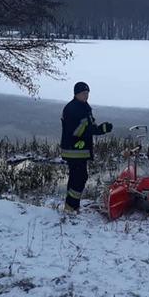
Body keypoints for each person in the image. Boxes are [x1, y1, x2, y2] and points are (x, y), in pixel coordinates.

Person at [60, 81, 112, 213]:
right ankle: (71, 207)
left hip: (81, 151)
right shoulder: (71, 108)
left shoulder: (85, 107)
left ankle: (72, 206)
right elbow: (75, 131)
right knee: (79, 177)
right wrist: (92, 130)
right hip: (73, 150)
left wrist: (102, 129)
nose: (86, 96)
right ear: (76, 94)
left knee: (78, 177)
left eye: (87, 93)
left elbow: (91, 127)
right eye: (83, 93)